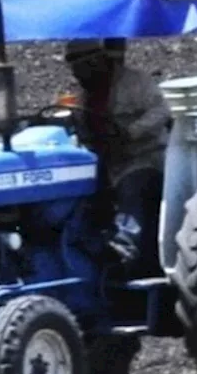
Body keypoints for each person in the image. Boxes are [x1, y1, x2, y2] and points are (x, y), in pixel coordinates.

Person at [64, 39, 172, 271]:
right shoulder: (85, 94)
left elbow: (161, 111)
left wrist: (131, 132)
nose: (76, 75)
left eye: (80, 68)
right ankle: (87, 245)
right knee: (82, 197)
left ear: (97, 62)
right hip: (108, 160)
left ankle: (125, 250)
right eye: (74, 69)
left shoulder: (135, 83)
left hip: (144, 157)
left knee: (133, 188)